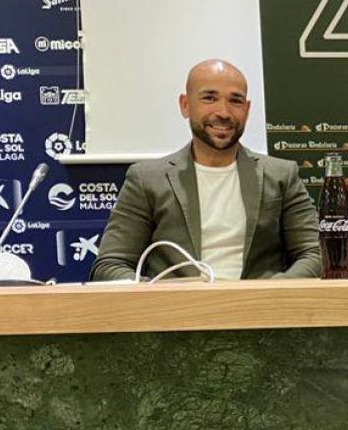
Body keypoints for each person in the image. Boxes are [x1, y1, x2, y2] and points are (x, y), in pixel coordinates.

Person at [90, 59, 321, 281]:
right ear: (185, 105)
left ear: (248, 109)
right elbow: (110, 265)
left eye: (236, 101)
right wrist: (164, 299)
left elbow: (315, 254)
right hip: (178, 316)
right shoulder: (146, 179)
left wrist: (267, 295)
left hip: (258, 313)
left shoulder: (281, 175)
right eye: (209, 98)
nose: (223, 112)